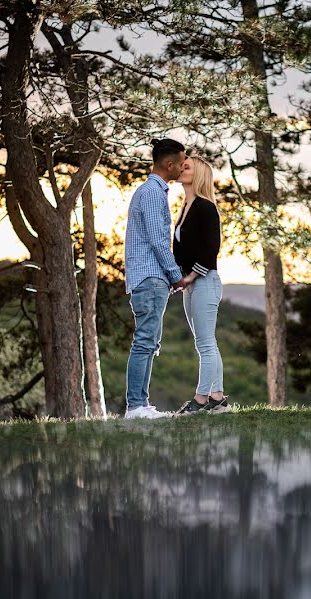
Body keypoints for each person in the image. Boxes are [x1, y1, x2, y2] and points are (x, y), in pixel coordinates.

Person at [123, 138, 188, 419]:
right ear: (169, 163)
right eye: (182, 161)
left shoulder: (154, 191)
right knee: (144, 341)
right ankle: (135, 407)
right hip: (150, 277)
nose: (184, 166)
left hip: (152, 277)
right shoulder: (151, 193)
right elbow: (158, 241)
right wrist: (176, 276)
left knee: (149, 342)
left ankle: (141, 404)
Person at [172, 156, 230, 415]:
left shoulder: (206, 207)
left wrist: (191, 277)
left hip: (204, 281)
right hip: (191, 283)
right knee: (206, 344)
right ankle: (218, 399)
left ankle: (200, 400)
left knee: (205, 344)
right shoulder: (186, 207)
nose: (181, 168)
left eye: (187, 167)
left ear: (199, 175)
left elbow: (211, 249)